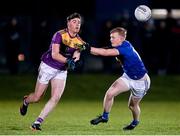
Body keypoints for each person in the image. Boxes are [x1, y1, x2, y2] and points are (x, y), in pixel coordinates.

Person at [20, 12, 86, 131]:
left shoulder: (80, 41)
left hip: (61, 70)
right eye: (74, 22)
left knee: (56, 97)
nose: (77, 24)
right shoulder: (59, 35)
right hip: (48, 66)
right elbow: (54, 54)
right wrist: (68, 61)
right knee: (37, 97)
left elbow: (77, 54)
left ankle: (37, 123)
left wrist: (74, 61)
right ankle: (26, 101)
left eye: (79, 23)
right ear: (68, 23)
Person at [84, 27, 151, 130]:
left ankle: (135, 122)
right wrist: (86, 48)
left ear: (121, 39)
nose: (111, 39)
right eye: (111, 37)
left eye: (113, 37)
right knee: (110, 93)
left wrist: (86, 47)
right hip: (128, 77)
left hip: (141, 82)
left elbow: (105, 53)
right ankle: (104, 117)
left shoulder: (125, 48)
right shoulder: (122, 45)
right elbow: (103, 50)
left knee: (132, 106)